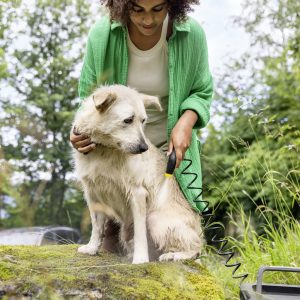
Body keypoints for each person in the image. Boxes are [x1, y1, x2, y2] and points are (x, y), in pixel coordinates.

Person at [70, 0, 213, 253]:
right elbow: (88, 96)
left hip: (168, 158)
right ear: (123, 6)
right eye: (138, 10)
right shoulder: (102, 35)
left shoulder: (192, 35)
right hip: (116, 156)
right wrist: (79, 134)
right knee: (113, 253)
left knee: (165, 244)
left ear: (173, 4)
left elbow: (201, 91)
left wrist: (186, 122)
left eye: (158, 9)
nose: (148, 20)